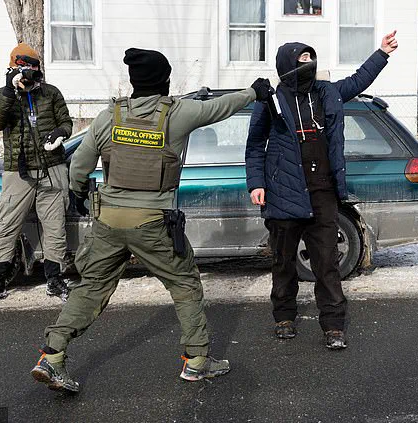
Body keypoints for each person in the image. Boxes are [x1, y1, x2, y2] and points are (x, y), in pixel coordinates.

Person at [30, 48, 272, 392]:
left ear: (133, 81)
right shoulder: (178, 113)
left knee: (91, 287)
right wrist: (253, 92)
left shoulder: (109, 116)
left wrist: (80, 194)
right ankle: (197, 362)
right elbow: (219, 108)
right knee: (185, 284)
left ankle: (52, 356)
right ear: (165, 81)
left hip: (108, 221)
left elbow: (79, 167)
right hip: (153, 222)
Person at [245, 32, 398, 350]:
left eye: (310, 59)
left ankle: (333, 324)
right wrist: (256, 182)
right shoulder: (271, 99)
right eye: (302, 60)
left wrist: (382, 53)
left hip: (322, 191)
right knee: (283, 260)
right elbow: (255, 145)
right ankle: (284, 316)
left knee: (327, 262)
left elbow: (358, 80)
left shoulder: (327, 92)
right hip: (284, 191)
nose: (309, 64)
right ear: (287, 65)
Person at [0, 43, 72, 309]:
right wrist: (9, 90)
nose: (30, 74)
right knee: (7, 226)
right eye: (25, 68)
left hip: (52, 168)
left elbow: (66, 122)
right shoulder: (3, 95)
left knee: (55, 225)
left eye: (34, 68)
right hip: (18, 171)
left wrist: (60, 133)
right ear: (13, 68)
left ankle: (55, 279)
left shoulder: (51, 93)